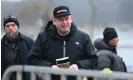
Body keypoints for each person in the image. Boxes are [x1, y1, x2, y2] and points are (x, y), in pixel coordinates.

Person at [28, 6, 97, 80]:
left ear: (71, 19)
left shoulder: (83, 37)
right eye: (60, 20)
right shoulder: (43, 37)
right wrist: (50, 67)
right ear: (54, 21)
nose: (64, 22)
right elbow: (32, 59)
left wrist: (78, 66)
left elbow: (93, 59)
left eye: (66, 19)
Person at [1, 15, 34, 80]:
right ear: (4, 28)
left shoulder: (28, 42)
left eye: (13, 25)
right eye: (7, 26)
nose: (10, 28)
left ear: (17, 27)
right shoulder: (1, 44)